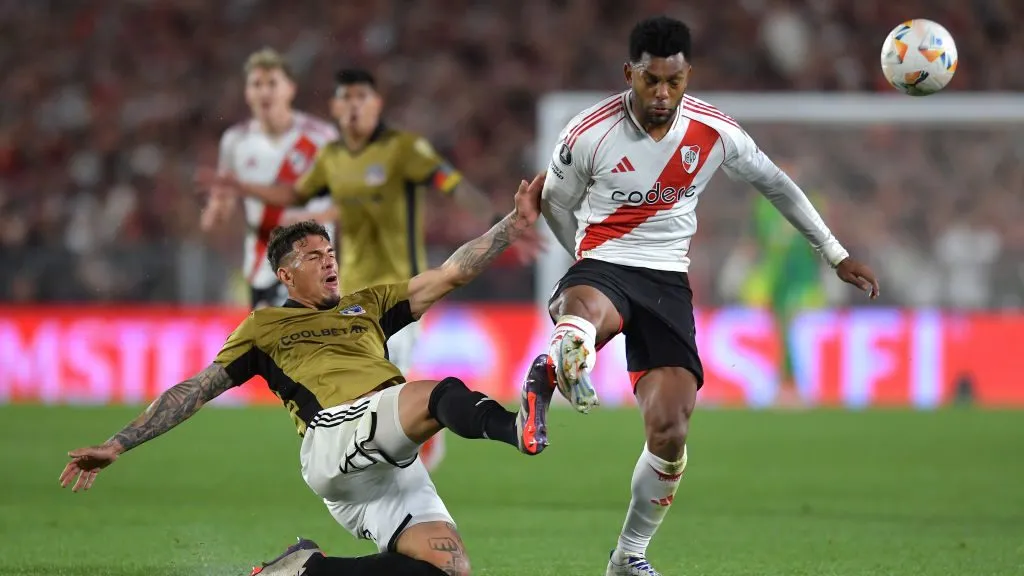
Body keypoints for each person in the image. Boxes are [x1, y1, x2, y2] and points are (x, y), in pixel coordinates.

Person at [59, 174, 553, 576]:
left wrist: (514, 223)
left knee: (448, 568)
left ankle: (306, 570)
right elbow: (196, 388)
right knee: (434, 393)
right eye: (314, 257)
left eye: (331, 253)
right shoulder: (264, 327)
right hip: (335, 437)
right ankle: (516, 427)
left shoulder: (369, 304)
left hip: (387, 463)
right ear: (286, 275)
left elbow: (451, 273)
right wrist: (119, 443)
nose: (330, 262)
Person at [529, 16, 881, 576]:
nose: (663, 94)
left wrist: (836, 255)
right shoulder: (586, 133)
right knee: (583, 312)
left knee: (670, 431)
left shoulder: (715, 131)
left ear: (687, 74)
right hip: (604, 262)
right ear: (630, 74)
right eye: (651, 81)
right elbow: (552, 200)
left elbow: (777, 184)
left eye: (673, 81)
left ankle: (629, 556)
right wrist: (577, 262)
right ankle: (563, 353)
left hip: (668, 282)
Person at [197, 68, 544, 471]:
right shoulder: (332, 158)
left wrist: (502, 220)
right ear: (334, 108)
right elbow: (294, 194)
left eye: (361, 97)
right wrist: (243, 187)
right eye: (344, 99)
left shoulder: (403, 148)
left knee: (388, 392)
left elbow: (453, 185)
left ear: (377, 104)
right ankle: (402, 466)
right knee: (373, 401)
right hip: (348, 299)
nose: (353, 106)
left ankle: (410, 467)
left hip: (397, 294)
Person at [200, 47, 339, 310]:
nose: (265, 91)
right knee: (273, 348)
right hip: (262, 263)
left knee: (306, 343)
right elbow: (223, 203)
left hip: (313, 262)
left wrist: (312, 221)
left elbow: (349, 202)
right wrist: (215, 212)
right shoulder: (235, 141)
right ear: (247, 93)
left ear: (290, 88)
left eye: (272, 83)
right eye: (257, 84)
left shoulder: (321, 138)